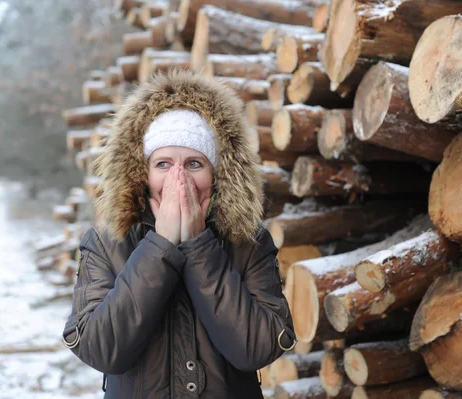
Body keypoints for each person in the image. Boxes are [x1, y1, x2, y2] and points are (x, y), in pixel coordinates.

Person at [62, 69, 296, 398]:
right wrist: (160, 244)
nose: (178, 181)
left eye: (194, 164)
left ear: (217, 176)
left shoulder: (248, 243)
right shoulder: (106, 242)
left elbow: (257, 349)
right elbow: (101, 349)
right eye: (163, 164)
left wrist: (200, 245)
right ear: (142, 175)